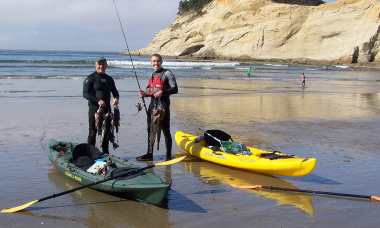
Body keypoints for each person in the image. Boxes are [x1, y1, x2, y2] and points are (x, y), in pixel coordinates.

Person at [137, 54, 178, 161]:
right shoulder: (152, 75)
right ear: (151, 63)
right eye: (154, 61)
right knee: (151, 130)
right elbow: (151, 92)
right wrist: (144, 94)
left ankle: (168, 156)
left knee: (165, 131)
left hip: (163, 107)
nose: (156, 63)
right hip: (152, 106)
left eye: (158, 61)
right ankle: (149, 154)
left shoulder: (168, 74)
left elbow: (175, 89)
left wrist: (162, 92)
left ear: (161, 62)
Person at [83, 57, 119, 154]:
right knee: (92, 131)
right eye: (99, 64)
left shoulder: (109, 79)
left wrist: (116, 98)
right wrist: (97, 100)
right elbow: (85, 94)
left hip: (107, 109)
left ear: (106, 65)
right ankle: (90, 153)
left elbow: (115, 92)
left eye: (103, 64)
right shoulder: (91, 78)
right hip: (94, 109)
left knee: (106, 131)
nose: (101, 66)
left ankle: (105, 153)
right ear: (96, 65)